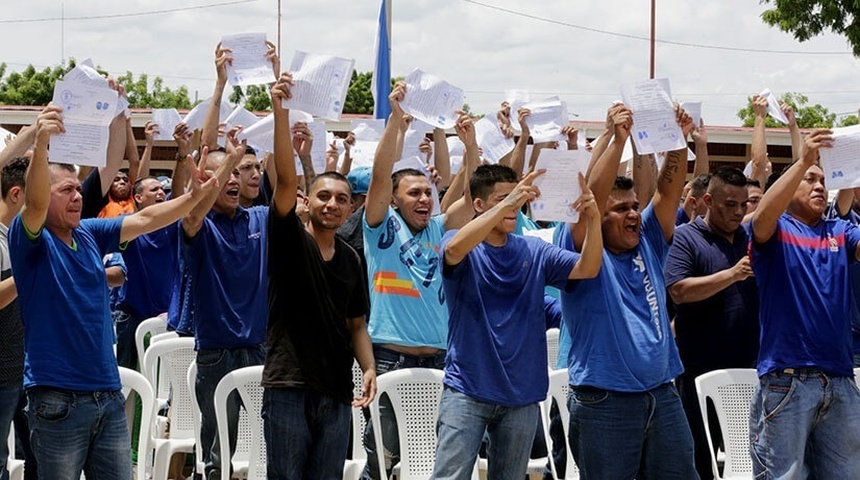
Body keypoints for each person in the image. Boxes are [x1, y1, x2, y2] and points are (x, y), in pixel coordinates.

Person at [9, 104, 216, 480]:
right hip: (57, 398)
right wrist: (41, 145)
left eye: (77, 188)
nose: (77, 196)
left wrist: (191, 199)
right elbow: (36, 203)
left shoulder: (88, 231)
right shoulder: (30, 241)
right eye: (66, 190)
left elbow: (146, 219)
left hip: (107, 393)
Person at [432, 165, 602, 480]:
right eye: (504, 198)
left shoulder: (534, 249)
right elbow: (454, 251)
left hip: (522, 396)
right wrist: (506, 205)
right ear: (480, 205)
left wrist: (593, 219)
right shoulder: (459, 240)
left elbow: (588, 268)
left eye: (516, 198)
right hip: (467, 389)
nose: (514, 205)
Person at [555, 103, 698, 479]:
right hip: (605, 402)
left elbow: (667, 194)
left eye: (635, 206)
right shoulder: (578, 248)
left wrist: (676, 141)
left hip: (663, 394)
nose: (634, 214)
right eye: (620, 210)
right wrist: (618, 140)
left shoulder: (649, 238)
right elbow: (591, 202)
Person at [261, 72, 376, 479]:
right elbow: (287, 180)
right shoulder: (289, 237)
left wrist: (368, 369)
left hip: (337, 392)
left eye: (341, 200)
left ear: (350, 210)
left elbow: (356, 323)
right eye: (323, 196)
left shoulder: (351, 259)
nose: (332, 205)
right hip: (288, 387)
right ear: (307, 203)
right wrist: (281, 112)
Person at [360, 82, 476, 479]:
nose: (425, 199)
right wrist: (396, 122)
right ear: (393, 200)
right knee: (382, 462)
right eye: (414, 193)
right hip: (390, 360)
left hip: (443, 362)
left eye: (428, 192)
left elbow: (475, 200)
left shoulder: (440, 229)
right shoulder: (380, 227)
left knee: (434, 463)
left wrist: (471, 144)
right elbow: (379, 176)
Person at [181, 41, 277, 480]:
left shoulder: (259, 217)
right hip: (217, 354)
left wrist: (279, 95)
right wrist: (219, 85)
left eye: (241, 172)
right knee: (217, 453)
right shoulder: (199, 226)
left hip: (259, 348)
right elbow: (204, 159)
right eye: (227, 174)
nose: (235, 179)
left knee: (264, 449)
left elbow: (290, 184)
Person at [748, 129, 860, 478]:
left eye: (823, 180)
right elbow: (763, 214)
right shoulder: (776, 230)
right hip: (787, 380)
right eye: (809, 179)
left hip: (840, 379)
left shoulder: (840, 231)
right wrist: (803, 161)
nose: (818, 185)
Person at [664, 166, 759, 480]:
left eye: (743, 205)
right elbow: (678, 291)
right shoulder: (685, 239)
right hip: (700, 371)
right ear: (707, 200)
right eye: (729, 204)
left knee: (746, 460)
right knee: (700, 460)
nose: (738, 212)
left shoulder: (750, 237)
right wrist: (732, 275)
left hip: (749, 369)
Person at [0, 156, 36, 480]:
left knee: (38, 458)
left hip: (26, 368)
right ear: (16, 195)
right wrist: (26, 272)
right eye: (37, 192)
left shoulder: (18, 238)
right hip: (3, 372)